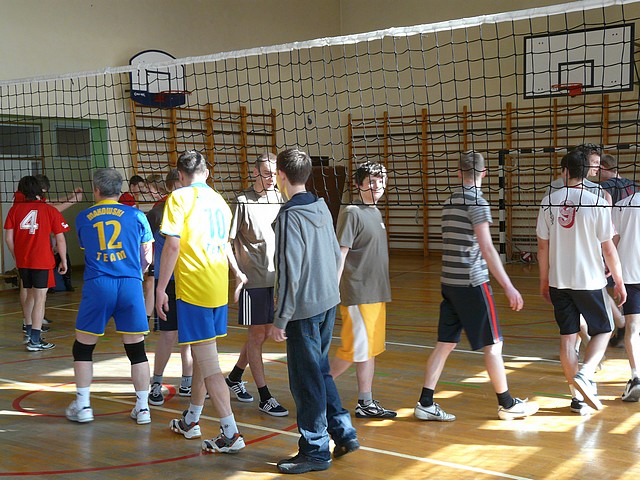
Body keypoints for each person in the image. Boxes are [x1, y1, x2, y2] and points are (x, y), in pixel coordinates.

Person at [415, 151, 538, 422]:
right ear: (484, 173)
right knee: (493, 345)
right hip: (472, 283)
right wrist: (509, 286)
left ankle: (425, 402)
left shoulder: (449, 202)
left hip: (449, 283)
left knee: (444, 344)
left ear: (459, 173)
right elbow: (487, 248)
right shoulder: (478, 202)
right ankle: (507, 404)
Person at [270, 148, 359, 475]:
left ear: (281, 175)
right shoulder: (321, 206)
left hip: (304, 309)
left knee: (306, 380)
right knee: (320, 371)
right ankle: (343, 432)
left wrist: (281, 318)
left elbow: (289, 271)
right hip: (327, 302)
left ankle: (315, 451)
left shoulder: (289, 216)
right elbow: (334, 256)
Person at [157, 150, 247, 454]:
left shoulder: (178, 198)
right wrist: (237, 273)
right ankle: (191, 420)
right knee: (201, 354)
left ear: (180, 176)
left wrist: (160, 288)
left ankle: (230, 433)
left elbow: (172, 246)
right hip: (217, 288)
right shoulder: (220, 201)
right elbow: (225, 244)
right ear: (207, 173)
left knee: (209, 365)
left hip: (193, 289)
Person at [537, 149, 626, 413]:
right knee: (605, 330)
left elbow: (542, 247)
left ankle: (577, 399)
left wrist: (544, 280)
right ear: (587, 172)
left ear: (564, 171)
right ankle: (586, 374)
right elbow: (608, 248)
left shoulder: (548, 201)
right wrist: (619, 281)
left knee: (567, 339)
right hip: (589, 280)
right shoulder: (596, 201)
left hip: (559, 281)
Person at [65, 168, 154, 425]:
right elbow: (147, 256)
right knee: (136, 349)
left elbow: (88, 248)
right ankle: (143, 408)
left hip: (99, 284)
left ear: (96, 189)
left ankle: (83, 406)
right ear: (119, 189)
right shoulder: (137, 215)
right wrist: (136, 272)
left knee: (83, 346)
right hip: (130, 285)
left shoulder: (83, 217)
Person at [329, 161, 395, 419]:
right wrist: (333, 289)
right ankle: (317, 392)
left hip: (377, 293)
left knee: (369, 349)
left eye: (381, 180)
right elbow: (341, 253)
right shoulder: (352, 212)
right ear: (358, 185)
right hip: (358, 293)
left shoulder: (375, 212)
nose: (377, 185)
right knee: (354, 349)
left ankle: (365, 402)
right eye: (371, 181)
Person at [225, 152, 288, 416]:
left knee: (262, 335)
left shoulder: (280, 199)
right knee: (256, 335)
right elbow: (226, 242)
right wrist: (238, 273)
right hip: (253, 281)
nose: (272, 178)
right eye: (267, 173)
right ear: (255, 173)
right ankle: (265, 396)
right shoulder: (242, 202)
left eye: (274, 173)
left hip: (277, 279)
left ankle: (234, 377)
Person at [4, 176, 69, 351]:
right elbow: (60, 239)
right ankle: (35, 340)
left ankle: (28, 329)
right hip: (42, 260)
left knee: (29, 295)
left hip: (23, 261)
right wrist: (63, 260)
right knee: (40, 298)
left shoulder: (14, 210)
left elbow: (8, 238)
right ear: (40, 191)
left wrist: (17, 256)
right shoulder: (49, 210)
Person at [147, 170, 194, 406]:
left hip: (191, 280)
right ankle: (156, 382)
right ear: (169, 188)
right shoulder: (157, 212)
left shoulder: (194, 209)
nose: (182, 190)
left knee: (190, 336)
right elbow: (149, 245)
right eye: (177, 186)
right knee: (168, 334)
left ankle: (188, 382)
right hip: (168, 282)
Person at [598, 153, 636, 347]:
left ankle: (620, 322)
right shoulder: (633, 186)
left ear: (604, 168)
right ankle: (626, 325)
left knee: (598, 286)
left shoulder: (603, 188)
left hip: (612, 243)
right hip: (632, 246)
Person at [611, 192, 640, 401]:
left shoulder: (622, 205)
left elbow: (614, 240)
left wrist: (610, 270)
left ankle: (636, 376)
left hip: (629, 274)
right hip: (629, 275)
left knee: (633, 328)